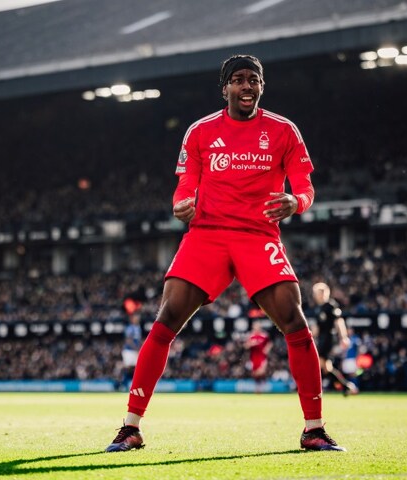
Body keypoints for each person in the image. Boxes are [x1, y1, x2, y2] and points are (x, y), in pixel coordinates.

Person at [105, 54, 345, 452]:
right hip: (207, 235)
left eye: (254, 80)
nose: (247, 86)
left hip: (258, 236)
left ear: (261, 87)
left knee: (294, 319)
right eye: (238, 80)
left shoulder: (284, 130)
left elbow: (305, 185)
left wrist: (296, 202)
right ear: (225, 88)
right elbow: (185, 187)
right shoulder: (200, 132)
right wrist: (181, 205)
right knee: (166, 320)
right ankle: (131, 426)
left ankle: (314, 430)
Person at [311, 282, 358, 396]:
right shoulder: (318, 309)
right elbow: (316, 328)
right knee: (326, 368)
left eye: (319, 293)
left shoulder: (331, 306)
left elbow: (339, 321)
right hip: (321, 339)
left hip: (328, 338)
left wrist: (344, 337)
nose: (317, 295)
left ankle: (344, 387)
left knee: (321, 363)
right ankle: (347, 387)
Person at [245, 320, 272, 393]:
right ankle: (258, 388)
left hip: (262, 356)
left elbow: (269, 343)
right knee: (254, 373)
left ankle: (262, 385)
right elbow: (246, 346)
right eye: (255, 326)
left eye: (258, 326)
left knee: (261, 371)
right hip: (253, 357)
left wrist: (267, 349)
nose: (256, 327)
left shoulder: (264, 335)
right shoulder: (250, 335)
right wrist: (251, 344)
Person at [121, 311, 142, 389]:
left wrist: (140, 347)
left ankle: (134, 386)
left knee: (136, 368)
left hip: (135, 350)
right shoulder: (130, 328)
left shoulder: (138, 328)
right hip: (129, 350)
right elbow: (128, 340)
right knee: (128, 368)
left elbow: (138, 340)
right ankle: (124, 384)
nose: (137, 319)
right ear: (132, 319)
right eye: (136, 317)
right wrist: (136, 348)